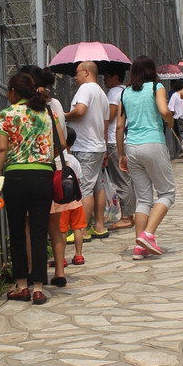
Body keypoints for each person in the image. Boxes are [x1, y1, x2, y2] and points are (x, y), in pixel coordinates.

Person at [0, 71, 54, 304]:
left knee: (17, 232)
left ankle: (21, 286)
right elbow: (58, 144)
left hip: (16, 177)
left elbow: (0, 150)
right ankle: (38, 287)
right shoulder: (47, 113)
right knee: (39, 233)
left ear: (14, 92)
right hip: (43, 176)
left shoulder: (6, 114)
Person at [116, 55, 176, 257]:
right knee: (167, 193)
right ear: (152, 71)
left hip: (131, 146)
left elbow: (119, 126)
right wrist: (170, 120)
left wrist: (121, 154)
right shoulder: (155, 88)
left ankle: (139, 247)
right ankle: (148, 234)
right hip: (153, 143)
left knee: (143, 199)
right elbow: (163, 110)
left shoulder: (125, 94)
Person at [65, 61, 110, 242]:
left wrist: (64, 115)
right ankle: (98, 226)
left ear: (86, 71)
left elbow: (80, 111)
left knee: (84, 188)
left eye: (76, 73)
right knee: (97, 185)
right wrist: (104, 148)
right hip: (98, 146)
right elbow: (105, 125)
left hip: (85, 147)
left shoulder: (85, 89)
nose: (75, 77)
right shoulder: (102, 94)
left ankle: (81, 230)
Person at [48, 126, 86, 285]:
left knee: (61, 229)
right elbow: (80, 178)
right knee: (78, 227)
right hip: (76, 200)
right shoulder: (74, 160)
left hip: (62, 199)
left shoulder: (55, 159)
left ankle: (61, 259)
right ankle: (78, 255)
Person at [103, 65, 136, 228]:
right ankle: (130, 213)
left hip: (115, 140)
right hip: (128, 139)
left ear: (116, 76)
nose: (104, 79)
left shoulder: (114, 92)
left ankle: (127, 216)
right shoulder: (127, 90)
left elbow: (109, 116)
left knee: (122, 179)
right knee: (128, 178)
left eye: (107, 75)